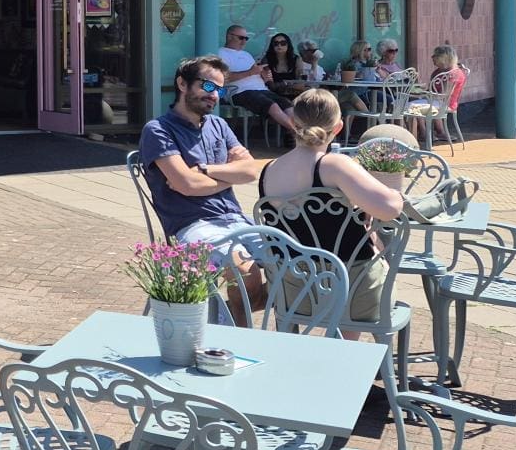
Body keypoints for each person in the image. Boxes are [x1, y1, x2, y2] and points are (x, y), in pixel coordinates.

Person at [255, 87, 406, 331]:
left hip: (294, 292)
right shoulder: (335, 164)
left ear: (292, 123)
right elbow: (389, 209)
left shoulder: (268, 169)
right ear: (338, 127)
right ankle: (347, 356)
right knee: (379, 254)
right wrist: (396, 194)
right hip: (351, 291)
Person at [136, 55, 264, 316]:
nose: (214, 95)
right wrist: (229, 174)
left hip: (236, 219)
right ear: (183, 84)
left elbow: (250, 170)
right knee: (244, 273)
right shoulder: (158, 130)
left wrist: (208, 171)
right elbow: (186, 185)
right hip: (192, 226)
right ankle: (233, 341)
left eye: (219, 89)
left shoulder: (219, 125)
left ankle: (223, 321)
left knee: (296, 266)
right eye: (207, 86)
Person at [217, 23, 298, 139]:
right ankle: (299, 134)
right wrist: (250, 72)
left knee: (287, 105)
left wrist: (263, 75)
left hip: (261, 89)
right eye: (241, 38)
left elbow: (255, 72)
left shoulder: (247, 54)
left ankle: (295, 134)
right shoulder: (221, 53)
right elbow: (222, 78)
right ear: (230, 36)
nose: (244, 41)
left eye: (246, 38)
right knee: (272, 105)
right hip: (240, 92)